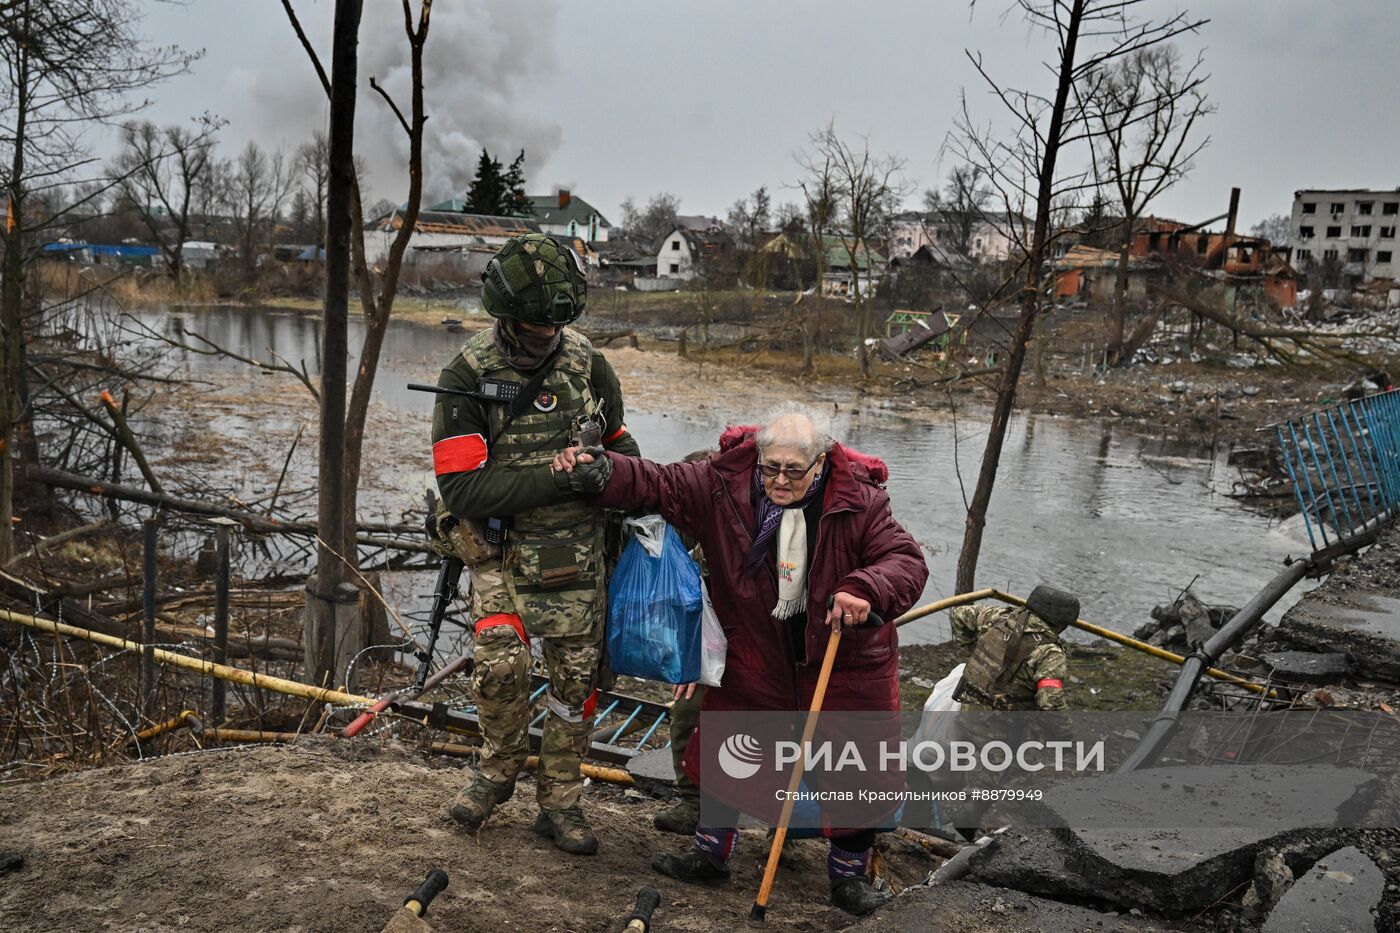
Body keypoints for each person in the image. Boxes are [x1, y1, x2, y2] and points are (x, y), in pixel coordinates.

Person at [555, 404, 928, 916]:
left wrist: (865, 588)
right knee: (729, 753)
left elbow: (905, 561)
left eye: (793, 471)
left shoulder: (860, 501)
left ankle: (848, 878)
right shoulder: (722, 482)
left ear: (820, 464)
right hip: (756, 648)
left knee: (859, 773)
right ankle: (711, 855)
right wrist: (605, 470)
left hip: (844, 659)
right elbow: (660, 483)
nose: (779, 480)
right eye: (770, 467)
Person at [431, 233, 639, 856]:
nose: (546, 335)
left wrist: (606, 469)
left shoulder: (590, 366)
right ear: (504, 314)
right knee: (501, 672)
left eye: (556, 324)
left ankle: (563, 802)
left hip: (577, 554)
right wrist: (551, 474)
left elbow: (627, 447)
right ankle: (495, 774)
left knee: (575, 686)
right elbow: (461, 488)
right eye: (533, 324)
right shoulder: (465, 374)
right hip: (498, 550)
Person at [949, 586, 1078, 712]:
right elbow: (1051, 703)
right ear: (1062, 624)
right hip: (1007, 727)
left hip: (966, 714)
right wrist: (1065, 733)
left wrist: (972, 650)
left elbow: (958, 614)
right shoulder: (1050, 653)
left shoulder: (998, 617)